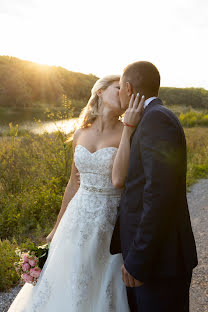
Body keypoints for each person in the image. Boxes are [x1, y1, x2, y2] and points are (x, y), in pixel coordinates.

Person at [8, 74, 145, 312]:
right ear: (100, 91)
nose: (124, 93)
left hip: (109, 221)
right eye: (118, 88)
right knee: (66, 277)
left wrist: (128, 131)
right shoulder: (81, 133)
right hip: (77, 217)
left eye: (126, 90)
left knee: (99, 280)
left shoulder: (129, 131)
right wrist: (56, 226)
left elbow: (120, 181)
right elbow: (73, 183)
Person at [110, 61, 198, 312]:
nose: (118, 93)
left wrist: (139, 261)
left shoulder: (156, 120)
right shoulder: (149, 118)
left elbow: (158, 197)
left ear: (128, 88)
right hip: (154, 260)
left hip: (159, 263)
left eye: (119, 88)